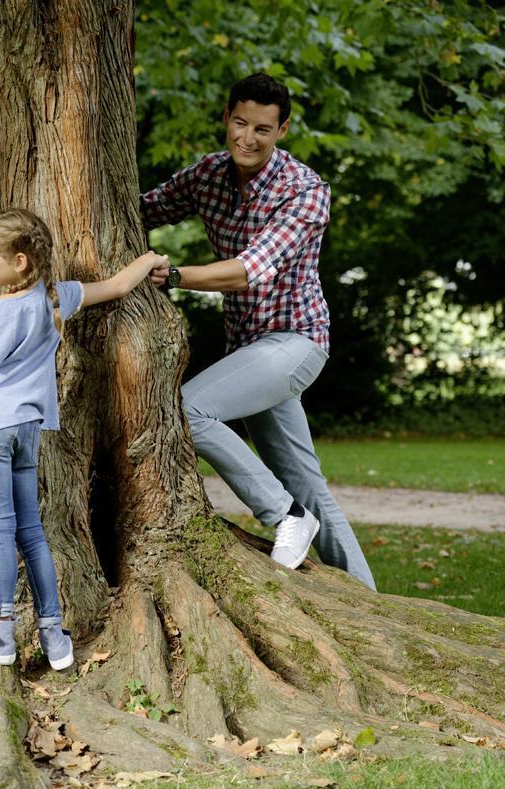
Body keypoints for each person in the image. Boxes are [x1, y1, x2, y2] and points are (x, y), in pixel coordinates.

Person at [0, 209, 168, 670]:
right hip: (27, 430)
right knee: (30, 531)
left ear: (20, 261)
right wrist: (151, 259)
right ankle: (54, 635)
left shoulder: (4, 311)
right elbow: (118, 286)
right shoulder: (54, 297)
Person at [141, 73, 375, 589]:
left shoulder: (305, 192)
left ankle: (284, 516)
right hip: (248, 350)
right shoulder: (208, 175)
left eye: (262, 130)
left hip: (295, 343)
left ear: (282, 130)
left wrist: (174, 275)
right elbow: (141, 209)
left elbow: (250, 270)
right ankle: (373, 605)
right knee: (309, 486)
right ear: (227, 118)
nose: (247, 138)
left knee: (188, 409)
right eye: (240, 123)